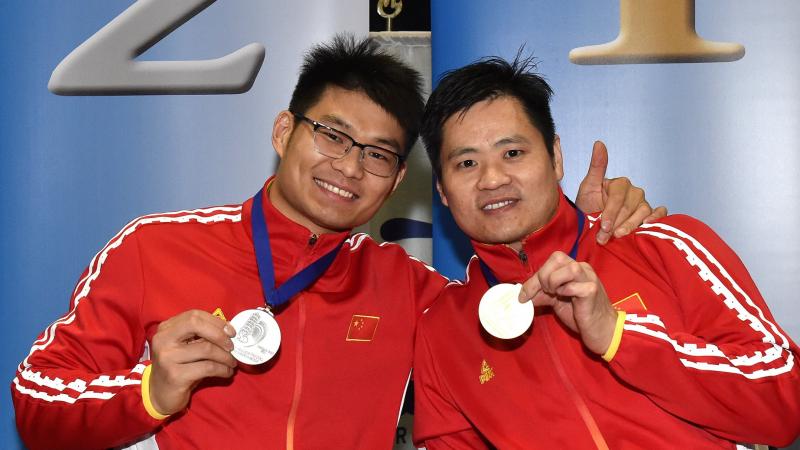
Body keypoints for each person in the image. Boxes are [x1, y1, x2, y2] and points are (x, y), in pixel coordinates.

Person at [12, 36, 659, 450]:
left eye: (378, 154)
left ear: (399, 180)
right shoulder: (154, 248)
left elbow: (527, 302)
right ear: (283, 130)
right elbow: (36, 400)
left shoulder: (411, 291)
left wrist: (595, 232)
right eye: (332, 135)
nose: (349, 168)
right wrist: (148, 391)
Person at [412, 55, 800, 449]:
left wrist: (619, 333)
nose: (492, 178)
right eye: (466, 163)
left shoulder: (662, 244)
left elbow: (786, 405)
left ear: (556, 156)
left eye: (512, 153)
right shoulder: (441, 330)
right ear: (443, 190)